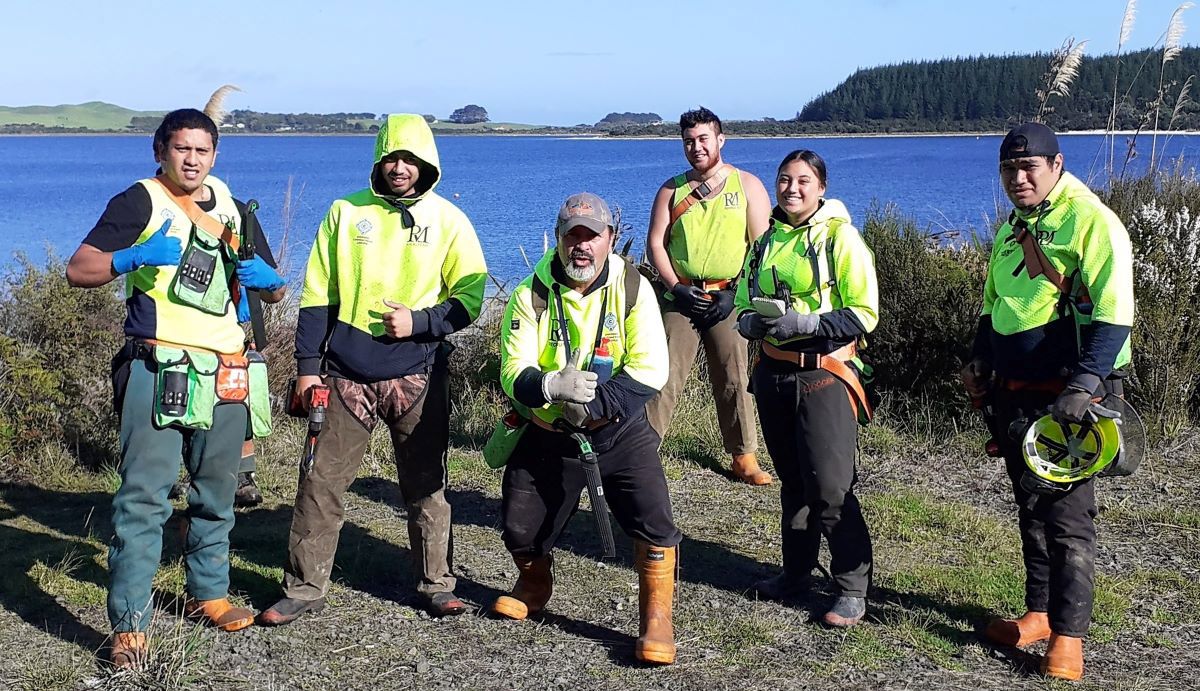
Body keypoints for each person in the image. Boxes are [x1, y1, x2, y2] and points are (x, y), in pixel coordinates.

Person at [65, 107, 286, 667]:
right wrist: (130, 257)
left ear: (215, 155)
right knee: (143, 502)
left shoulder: (233, 207)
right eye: (181, 148)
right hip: (158, 367)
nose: (192, 159)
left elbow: (271, 285)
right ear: (160, 150)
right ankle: (130, 627)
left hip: (228, 373)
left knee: (218, 497)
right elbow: (79, 267)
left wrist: (273, 280)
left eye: (202, 150)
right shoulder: (138, 200)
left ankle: (207, 594)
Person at [258, 114, 487, 624]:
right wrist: (306, 368)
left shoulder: (449, 220)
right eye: (392, 158)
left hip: (418, 372)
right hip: (345, 374)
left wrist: (422, 321)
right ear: (379, 161)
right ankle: (303, 588)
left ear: (427, 163)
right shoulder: (345, 212)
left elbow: (471, 297)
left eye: (410, 159)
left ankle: (437, 584)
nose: (400, 168)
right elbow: (318, 296)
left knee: (426, 484)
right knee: (319, 482)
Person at [961, 123, 1134, 682]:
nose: (1018, 177)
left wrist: (1084, 386)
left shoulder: (1092, 222)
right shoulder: (1015, 227)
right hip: (1016, 393)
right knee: (1030, 509)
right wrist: (980, 357)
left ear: (1056, 166)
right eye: (1009, 168)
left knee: (1067, 519)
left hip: (1070, 397)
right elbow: (996, 305)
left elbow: (1114, 315)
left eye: (1029, 167)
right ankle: (1037, 613)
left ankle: (1069, 637)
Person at [492, 192, 682, 665]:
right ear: (557, 239)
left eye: (592, 236)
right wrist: (553, 385)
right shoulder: (529, 294)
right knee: (518, 525)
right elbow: (512, 370)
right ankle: (535, 582)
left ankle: (656, 618)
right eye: (571, 235)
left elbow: (649, 369)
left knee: (654, 520)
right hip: (547, 431)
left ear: (610, 239)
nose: (582, 246)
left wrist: (596, 405)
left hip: (618, 431)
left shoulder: (634, 288)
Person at [734, 150, 877, 628]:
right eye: (783, 180)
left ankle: (852, 589)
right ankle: (795, 574)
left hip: (824, 375)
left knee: (831, 487)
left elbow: (864, 313)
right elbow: (741, 303)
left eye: (802, 181)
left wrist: (811, 322)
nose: (791, 189)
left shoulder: (842, 238)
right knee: (793, 484)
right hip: (773, 375)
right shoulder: (764, 241)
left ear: (821, 187)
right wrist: (751, 322)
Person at [644, 107, 773, 485]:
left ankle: (744, 456)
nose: (696, 147)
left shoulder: (746, 185)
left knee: (734, 375)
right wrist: (675, 288)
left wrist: (736, 293)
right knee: (662, 373)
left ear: (720, 140)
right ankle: (644, 449)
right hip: (681, 294)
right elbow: (656, 243)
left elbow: (761, 247)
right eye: (689, 141)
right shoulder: (671, 189)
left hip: (728, 296)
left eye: (703, 139)